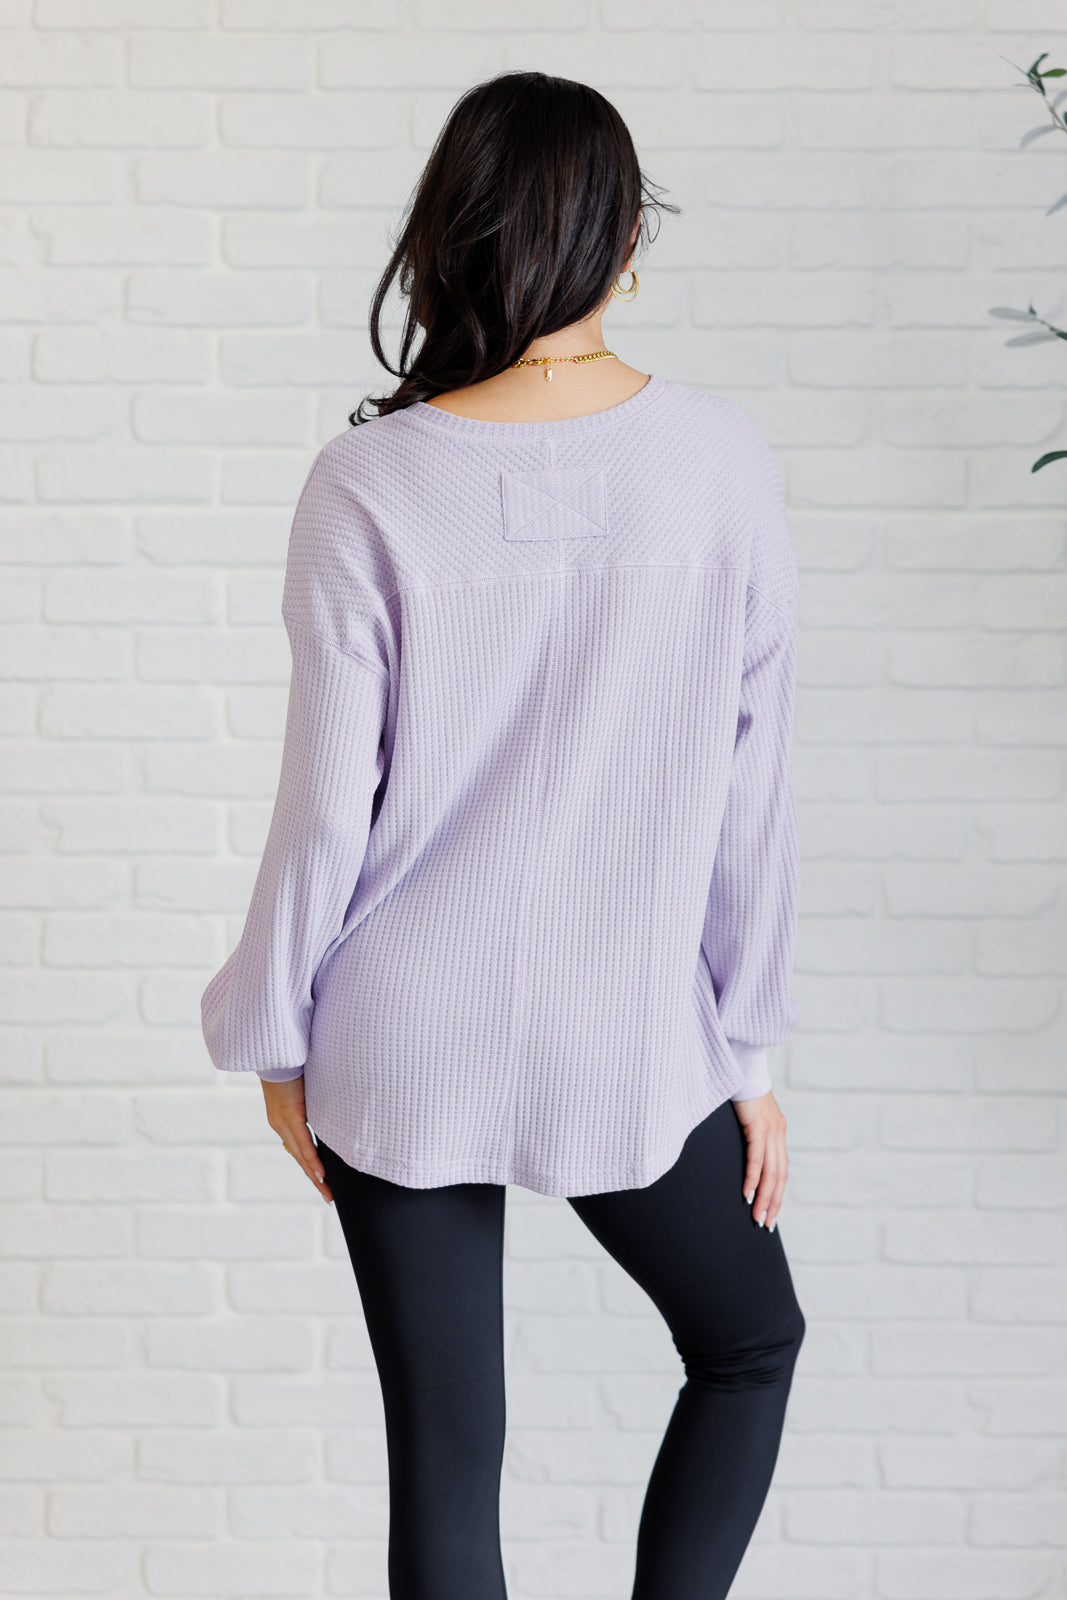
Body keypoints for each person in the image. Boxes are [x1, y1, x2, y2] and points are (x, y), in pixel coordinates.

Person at [201, 68, 806, 1600]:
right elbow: (754, 786)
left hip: (401, 1027)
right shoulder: (720, 460)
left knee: (447, 1460)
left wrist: (277, 1042)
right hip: (630, 1028)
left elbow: (325, 803)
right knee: (748, 1344)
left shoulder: (365, 482)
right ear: (624, 240)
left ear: (447, 240)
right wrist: (748, 1052)